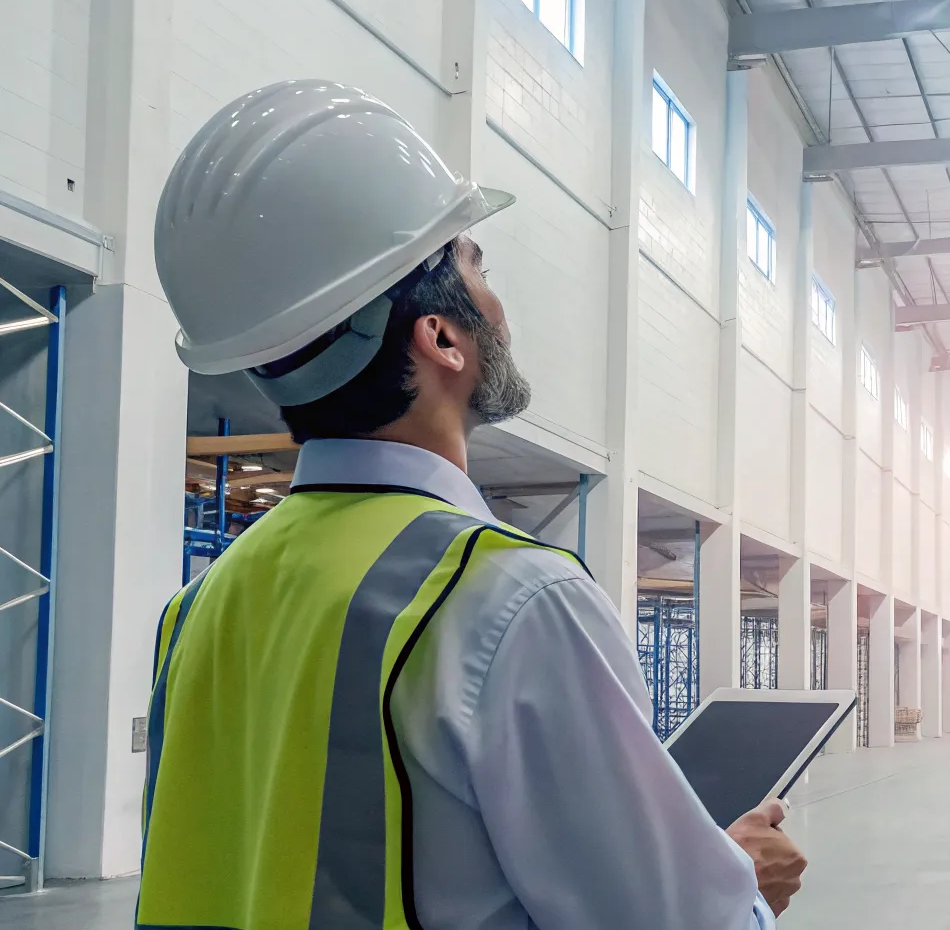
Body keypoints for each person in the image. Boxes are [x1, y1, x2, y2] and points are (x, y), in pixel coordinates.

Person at [138, 80, 804, 927]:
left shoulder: (194, 613)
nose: (495, 300)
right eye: (474, 265)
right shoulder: (511, 603)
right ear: (441, 336)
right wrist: (742, 887)